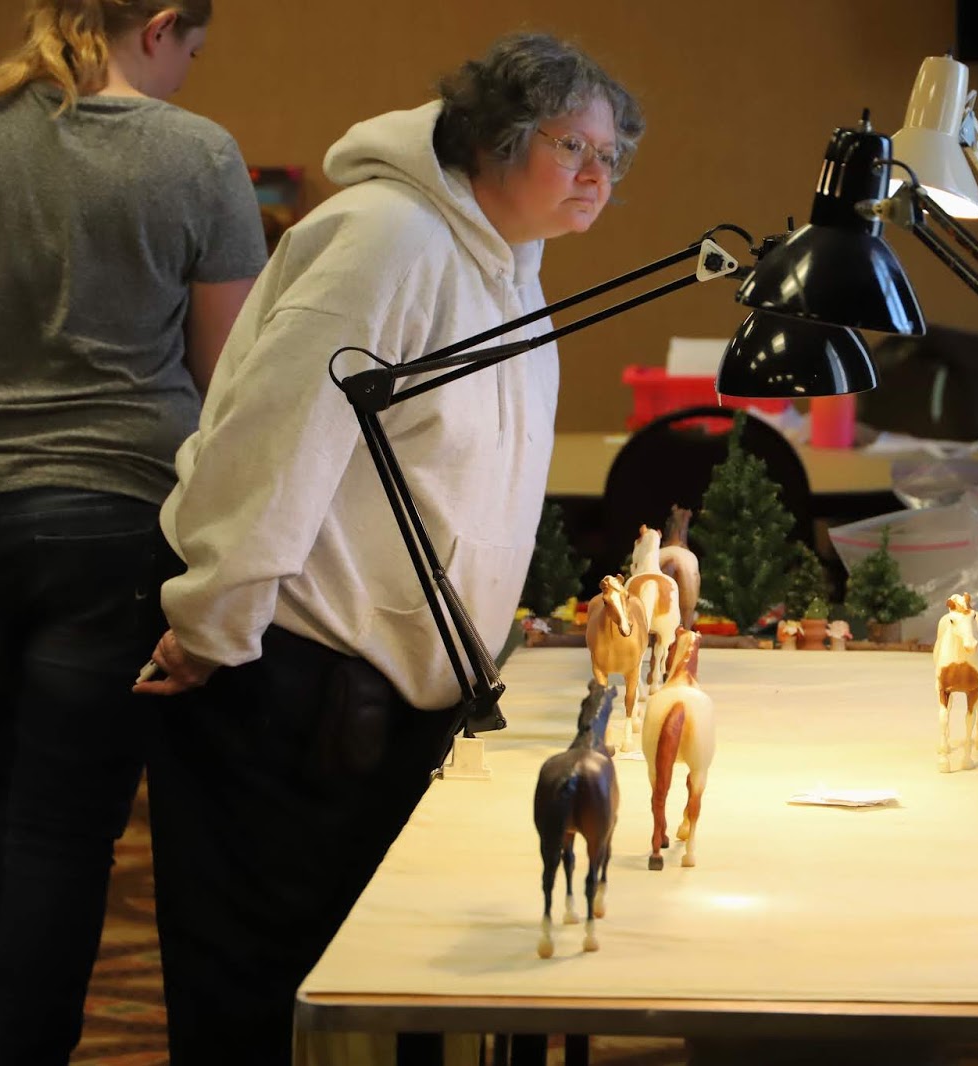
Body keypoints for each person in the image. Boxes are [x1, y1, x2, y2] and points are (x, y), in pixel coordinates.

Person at [131, 32, 643, 1064]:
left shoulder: (511, 265)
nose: (598, 175)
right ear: (496, 138)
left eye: (613, 155)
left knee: (361, 990)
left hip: (382, 699)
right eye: (574, 147)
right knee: (255, 992)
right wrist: (213, 621)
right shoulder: (386, 238)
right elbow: (272, 442)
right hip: (285, 679)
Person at [0, 3, 264, 1064]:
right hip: (111, 515)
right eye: (192, 52)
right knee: (63, 826)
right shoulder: (197, 155)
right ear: (163, 25)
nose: (186, 75)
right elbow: (228, 379)